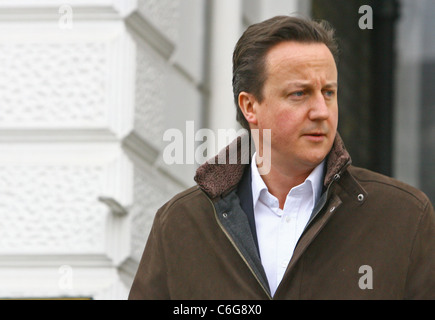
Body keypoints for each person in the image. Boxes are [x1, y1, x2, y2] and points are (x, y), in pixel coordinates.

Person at [129, 15, 435, 299]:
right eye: (299, 94)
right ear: (250, 107)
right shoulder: (180, 225)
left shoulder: (405, 217)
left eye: (329, 92)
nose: (321, 111)